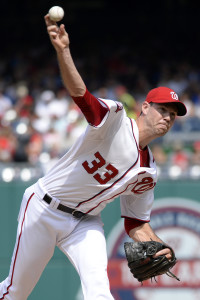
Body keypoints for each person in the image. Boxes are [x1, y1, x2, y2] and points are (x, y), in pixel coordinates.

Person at [0, 14, 187, 300]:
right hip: (44, 207)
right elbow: (81, 95)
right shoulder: (114, 119)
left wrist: (157, 245)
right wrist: (63, 51)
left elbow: (136, 223)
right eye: (163, 109)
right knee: (15, 293)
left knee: (100, 293)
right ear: (145, 107)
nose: (168, 118)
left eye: (172, 115)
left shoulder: (148, 171)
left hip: (84, 222)